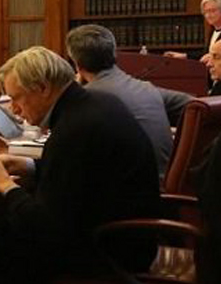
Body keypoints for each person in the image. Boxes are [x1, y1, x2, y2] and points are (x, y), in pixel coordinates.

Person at [0, 47, 161, 284]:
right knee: (12, 231)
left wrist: (5, 186)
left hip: (113, 249)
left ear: (43, 88)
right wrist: (31, 166)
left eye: (18, 98)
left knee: (2, 235)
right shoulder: (94, 105)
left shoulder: (74, 126)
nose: (15, 109)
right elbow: (84, 175)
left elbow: (47, 226)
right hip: (132, 234)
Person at [66, 25, 191, 177]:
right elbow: (195, 105)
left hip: (130, 191)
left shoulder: (87, 98)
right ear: (114, 54)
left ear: (77, 64)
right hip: (164, 183)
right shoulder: (146, 88)